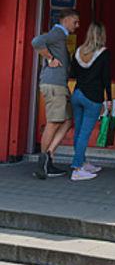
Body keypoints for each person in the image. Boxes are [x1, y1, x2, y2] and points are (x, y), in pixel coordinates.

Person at [31, 9, 81, 179]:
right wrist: (50, 58)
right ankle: (43, 164)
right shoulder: (58, 32)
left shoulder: (60, 35)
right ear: (66, 20)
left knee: (67, 121)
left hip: (59, 84)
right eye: (75, 22)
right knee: (54, 122)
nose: (77, 26)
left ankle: (48, 156)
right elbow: (36, 41)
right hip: (54, 84)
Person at [70, 22, 112, 181]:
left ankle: (82, 161)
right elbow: (106, 77)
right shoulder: (104, 53)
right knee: (84, 134)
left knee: (79, 131)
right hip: (93, 97)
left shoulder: (79, 51)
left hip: (78, 93)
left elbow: (72, 72)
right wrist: (109, 98)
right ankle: (77, 168)